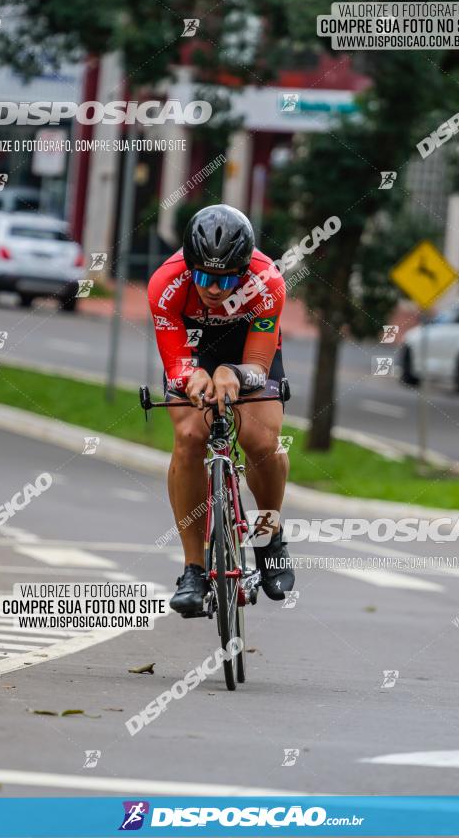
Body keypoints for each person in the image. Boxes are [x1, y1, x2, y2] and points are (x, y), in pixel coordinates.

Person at [148, 203, 295, 616]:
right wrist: (189, 377)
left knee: (259, 438)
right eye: (204, 276)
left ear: (245, 269)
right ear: (188, 264)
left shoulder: (267, 282)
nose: (214, 288)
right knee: (191, 436)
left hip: (246, 350)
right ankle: (193, 569)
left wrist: (234, 373)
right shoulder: (166, 283)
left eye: (227, 278)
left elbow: (259, 365)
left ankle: (269, 536)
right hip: (192, 348)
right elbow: (176, 362)